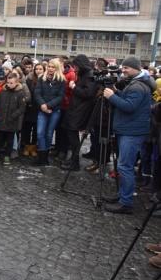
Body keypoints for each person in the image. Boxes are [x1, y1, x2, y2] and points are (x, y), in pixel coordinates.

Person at [102, 56, 155, 214]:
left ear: (136, 68)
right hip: (129, 129)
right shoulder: (137, 83)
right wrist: (117, 92)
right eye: (123, 67)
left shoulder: (138, 86)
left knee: (125, 166)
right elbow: (129, 100)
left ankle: (126, 202)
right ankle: (122, 196)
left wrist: (111, 96)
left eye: (127, 68)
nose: (123, 70)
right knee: (124, 165)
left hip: (132, 131)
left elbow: (129, 106)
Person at [60, 54, 98, 172]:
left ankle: (75, 163)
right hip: (76, 109)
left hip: (80, 110)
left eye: (75, 66)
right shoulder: (84, 74)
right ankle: (73, 160)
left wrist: (74, 87)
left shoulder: (89, 75)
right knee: (71, 135)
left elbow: (88, 93)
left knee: (73, 136)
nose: (74, 68)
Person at [33, 58, 66, 166]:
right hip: (42, 110)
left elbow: (60, 96)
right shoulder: (41, 78)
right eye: (49, 66)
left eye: (53, 67)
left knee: (49, 134)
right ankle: (42, 155)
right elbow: (37, 93)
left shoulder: (61, 80)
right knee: (40, 133)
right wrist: (42, 105)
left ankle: (45, 157)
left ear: (56, 68)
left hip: (54, 110)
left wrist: (48, 105)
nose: (50, 69)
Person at [0, 73, 27, 165]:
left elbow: (22, 108)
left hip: (12, 121)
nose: (9, 84)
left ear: (16, 82)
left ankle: (7, 156)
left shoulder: (20, 93)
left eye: (12, 83)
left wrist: (13, 116)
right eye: (8, 82)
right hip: (1, 120)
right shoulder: (3, 91)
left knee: (10, 140)